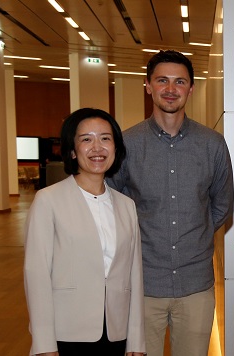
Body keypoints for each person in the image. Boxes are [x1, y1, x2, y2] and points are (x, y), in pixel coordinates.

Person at [107, 50, 234, 356]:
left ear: (190, 89)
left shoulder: (212, 144)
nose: (170, 88)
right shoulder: (127, 144)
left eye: (180, 81)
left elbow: (222, 205)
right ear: (148, 85)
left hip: (196, 286)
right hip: (141, 285)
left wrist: (197, 231)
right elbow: (110, 205)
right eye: (162, 80)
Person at [23, 108, 145, 356]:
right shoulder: (49, 200)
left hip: (116, 333)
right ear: (72, 150)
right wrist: (44, 345)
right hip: (66, 333)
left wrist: (136, 339)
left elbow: (134, 275)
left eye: (105, 138)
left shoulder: (126, 205)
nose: (97, 148)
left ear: (116, 148)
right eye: (86, 139)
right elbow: (36, 276)